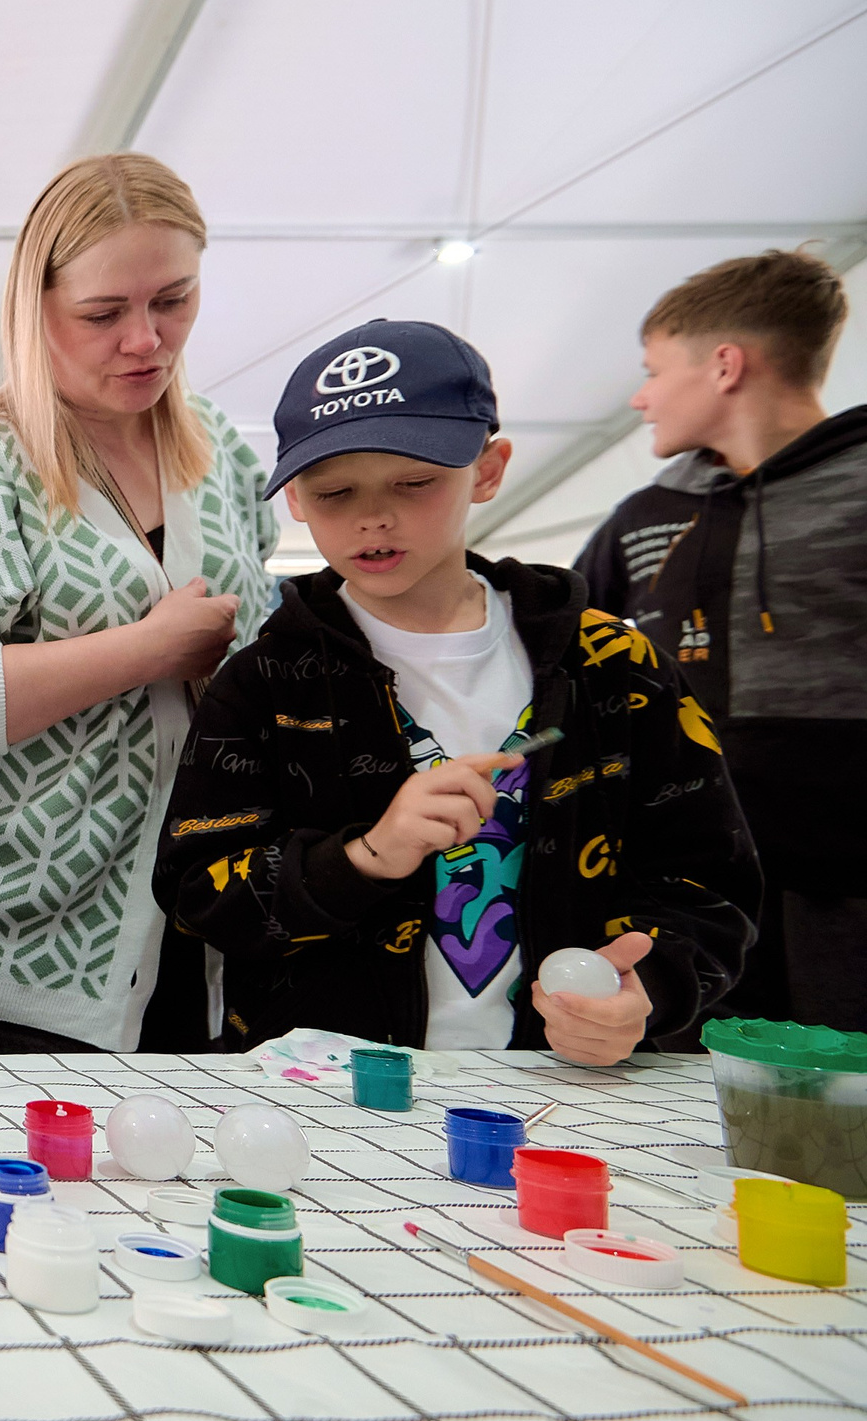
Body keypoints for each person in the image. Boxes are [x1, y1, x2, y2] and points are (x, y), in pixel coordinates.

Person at [156, 320, 759, 1060]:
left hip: (570, 1089)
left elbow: (710, 880)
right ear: (295, 503)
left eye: (415, 482)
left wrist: (651, 992)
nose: (374, 516)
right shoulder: (264, 682)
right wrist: (368, 856)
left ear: (489, 468)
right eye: (334, 491)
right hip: (327, 1097)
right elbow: (198, 897)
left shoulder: (613, 665)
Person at [0, 154, 278, 1055]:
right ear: (34, 307)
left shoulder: (231, 465)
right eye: (103, 314)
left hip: (198, 937)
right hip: (10, 956)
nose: (146, 340)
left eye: (174, 300)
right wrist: (150, 650)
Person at [576, 250, 865, 1029]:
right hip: (690, 903)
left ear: (725, 365)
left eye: (654, 370)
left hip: (845, 909)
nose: (640, 397)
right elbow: (564, 656)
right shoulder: (644, 515)